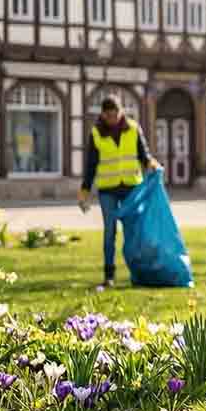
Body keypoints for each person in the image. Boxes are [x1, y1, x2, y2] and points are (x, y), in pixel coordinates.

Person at [78, 96, 160, 291]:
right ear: (103, 115)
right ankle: (109, 276)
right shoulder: (96, 134)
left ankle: (139, 272)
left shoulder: (133, 128)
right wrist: (84, 191)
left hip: (132, 188)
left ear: (120, 111)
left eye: (115, 115)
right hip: (108, 190)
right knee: (109, 232)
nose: (113, 119)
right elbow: (91, 165)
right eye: (109, 116)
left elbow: (143, 155)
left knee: (134, 232)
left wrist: (153, 165)